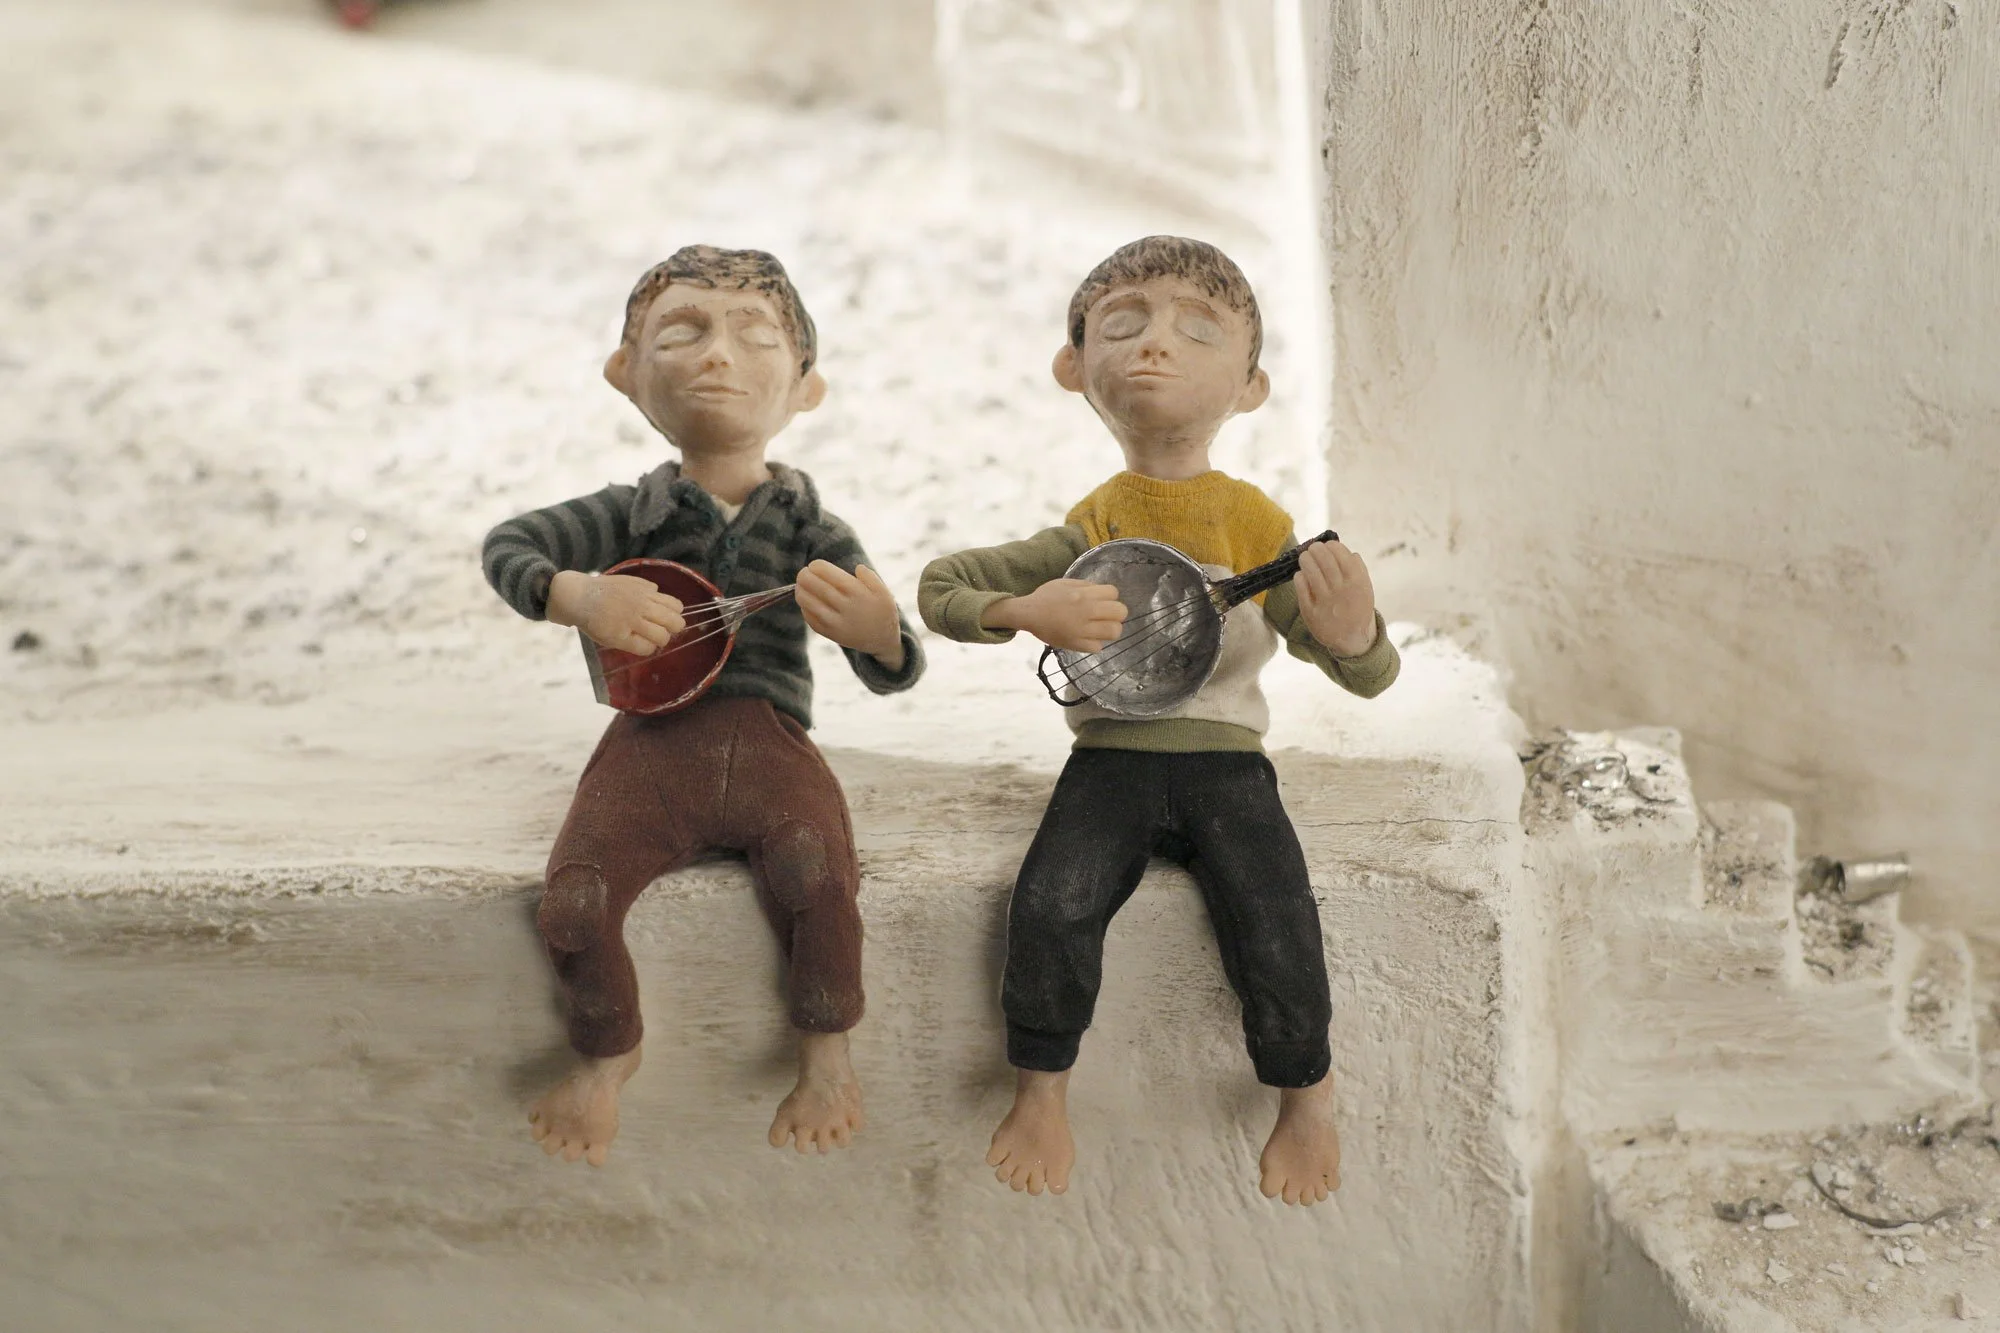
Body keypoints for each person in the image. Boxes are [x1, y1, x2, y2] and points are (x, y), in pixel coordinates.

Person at [918, 236, 1399, 1205]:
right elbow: (941, 587)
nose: (1155, 345)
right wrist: (1027, 608)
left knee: (1275, 913)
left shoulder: (1255, 526)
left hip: (1230, 768)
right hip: (1110, 762)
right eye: (1123, 323)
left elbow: (1365, 673)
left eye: (1198, 330)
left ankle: (1306, 1092)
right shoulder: (1093, 524)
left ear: (1251, 387)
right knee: (1052, 901)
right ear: (1073, 366)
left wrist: (1353, 634)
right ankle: (1041, 1089)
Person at [483, 246, 923, 1165]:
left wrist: (881, 632)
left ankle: (827, 1052)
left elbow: (892, 666)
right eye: (683, 332)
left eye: (754, 336)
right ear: (626, 372)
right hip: (648, 746)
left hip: (771, 744)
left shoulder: (810, 527)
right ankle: (609, 1049)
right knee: (574, 902)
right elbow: (511, 545)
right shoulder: (630, 512)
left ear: (806, 387)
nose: (718, 355)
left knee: (817, 874)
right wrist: (579, 594)